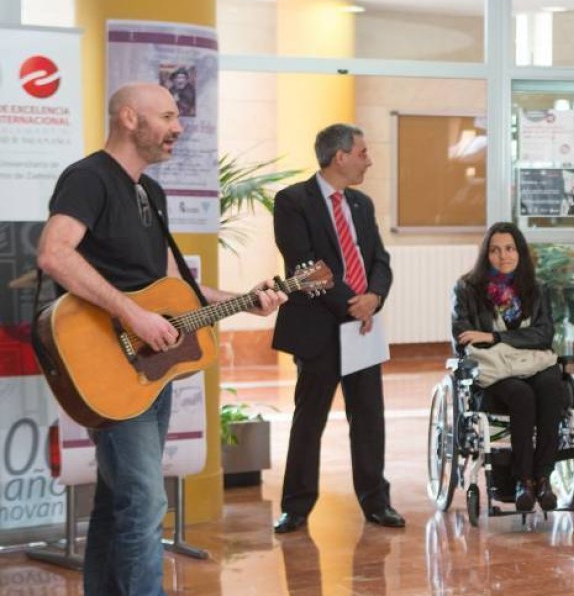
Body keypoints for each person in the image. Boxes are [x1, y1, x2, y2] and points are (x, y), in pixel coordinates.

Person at [36, 83, 285, 595]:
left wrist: (242, 297)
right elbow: (54, 254)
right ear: (130, 118)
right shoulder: (87, 178)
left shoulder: (150, 190)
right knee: (147, 502)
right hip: (106, 359)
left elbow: (174, 285)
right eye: (168, 117)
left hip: (147, 371)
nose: (178, 128)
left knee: (119, 500)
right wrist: (133, 314)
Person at [272, 123, 404, 533]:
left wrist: (374, 298)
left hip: (362, 327)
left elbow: (379, 259)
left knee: (369, 417)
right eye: (363, 152)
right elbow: (304, 266)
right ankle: (296, 506)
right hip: (319, 326)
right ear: (340, 156)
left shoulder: (361, 204)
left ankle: (375, 502)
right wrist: (354, 303)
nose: (369, 159)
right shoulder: (293, 201)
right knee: (309, 420)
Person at [451, 222, 567, 511]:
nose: (504, 256)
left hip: (534, 364)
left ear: (520, 252)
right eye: (495, 250)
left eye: (510, 249)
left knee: (553, 387)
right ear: (485, 254)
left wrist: (495, 337)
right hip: (496, 371)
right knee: (521, 395)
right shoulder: (468, 288)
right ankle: (523, 481)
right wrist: (514, 343)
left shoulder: (534, 289)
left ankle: (543, 478)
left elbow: (544, 334)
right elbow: (463, 337)